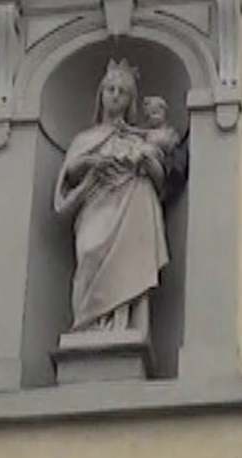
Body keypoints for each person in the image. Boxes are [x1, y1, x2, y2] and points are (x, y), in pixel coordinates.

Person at [54, 59, 170, 332]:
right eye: (110, 89)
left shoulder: (138, 138)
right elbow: (70, 171)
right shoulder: (85, 139)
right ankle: (87, 326)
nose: (115, 96)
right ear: (101, 94)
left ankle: (124, 328)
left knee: (131, 264)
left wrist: (144, 160)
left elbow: (159, 178)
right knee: (89, 252)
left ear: (130, 101)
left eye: (122, 92)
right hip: (96, 206)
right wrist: (93, 163)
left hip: (132, 206)